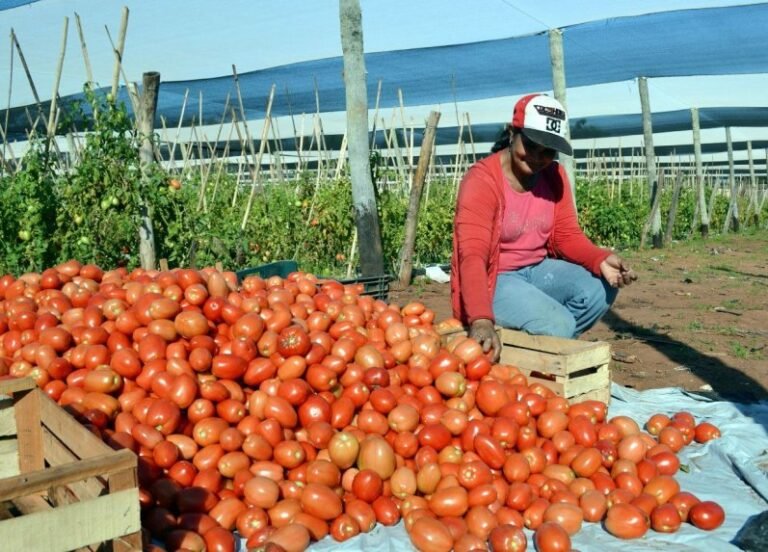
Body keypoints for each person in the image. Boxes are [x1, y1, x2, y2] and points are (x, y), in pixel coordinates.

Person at [450, 93, 637, 362]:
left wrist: (600, 258)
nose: (538, 157)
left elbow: (566, 235)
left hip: (537, 269)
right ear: (512, 133)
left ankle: (538, 350)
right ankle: (544, 350)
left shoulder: (553, 175)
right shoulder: (482, 181)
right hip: (496, 279)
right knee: (558, 324)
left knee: (600, 289)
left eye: (548, 150)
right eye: (531, 145)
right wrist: (480, 317)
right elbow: (472, 255)